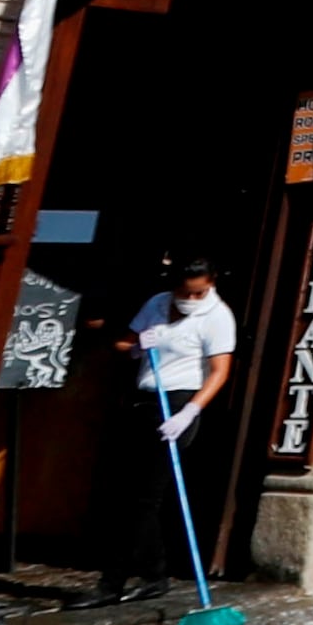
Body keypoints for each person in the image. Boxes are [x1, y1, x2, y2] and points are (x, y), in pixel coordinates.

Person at [95, 254, 239, 601]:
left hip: (178, 405)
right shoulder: (157, 303)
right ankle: (154, 576)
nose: (190, 300)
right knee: (128, 495)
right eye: (185, 293)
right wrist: (137, 347)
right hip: (143, 400)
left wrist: (189, 412)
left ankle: (112, 584)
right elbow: (123, 344)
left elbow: (220, 371)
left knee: (144, 498)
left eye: (198, 293)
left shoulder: (217, 317)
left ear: (211, 284)